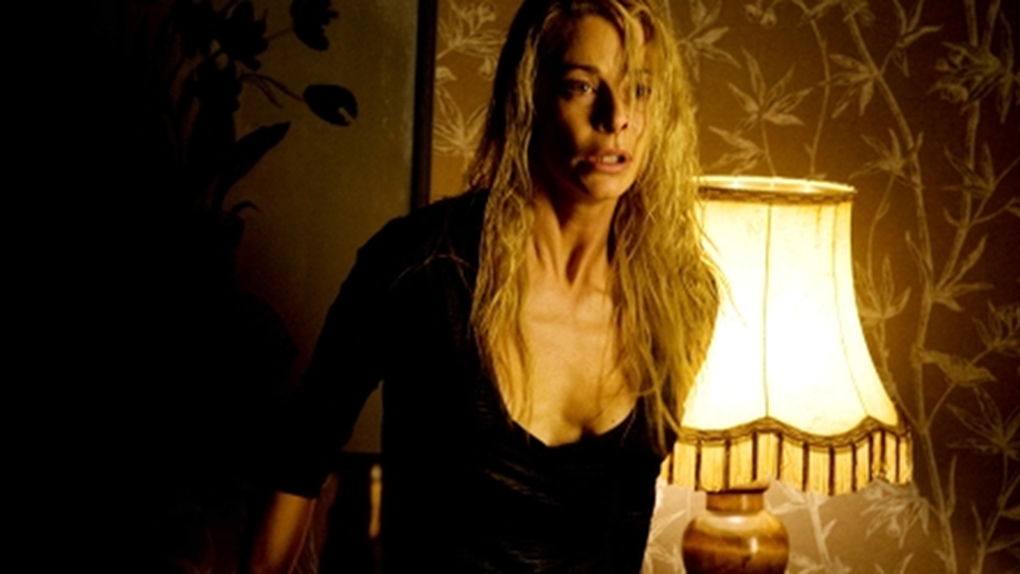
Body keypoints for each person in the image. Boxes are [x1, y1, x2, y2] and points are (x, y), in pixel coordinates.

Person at [249, 0, 718, 571]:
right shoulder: (419, 265)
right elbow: (296, 463)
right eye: (581, 86)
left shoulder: (683, 298)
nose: (615, 116)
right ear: (529, 98)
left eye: (640, 90)